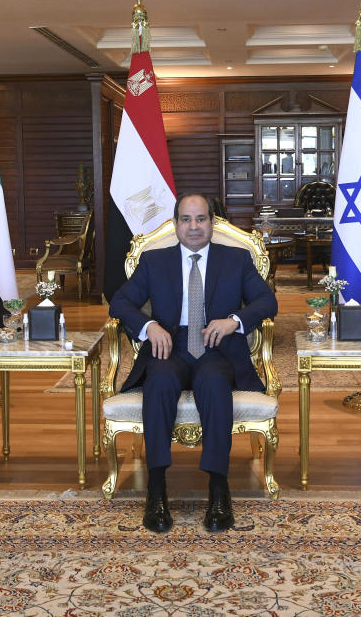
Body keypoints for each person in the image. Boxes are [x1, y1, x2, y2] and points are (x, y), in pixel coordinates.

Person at [109, 193, 278, 533]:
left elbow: (266, 301)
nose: (194, 227)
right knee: (158, 383)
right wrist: (149, 326)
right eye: (186, 220)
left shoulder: (236, 259)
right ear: (176, 225)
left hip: (216, 349)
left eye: (201, 219)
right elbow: (120, 302)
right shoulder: (155, 261)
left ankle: (219, 489)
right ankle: (156, 491)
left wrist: (234, 320)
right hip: (167, 347)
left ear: (212, 223)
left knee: (214, 384)